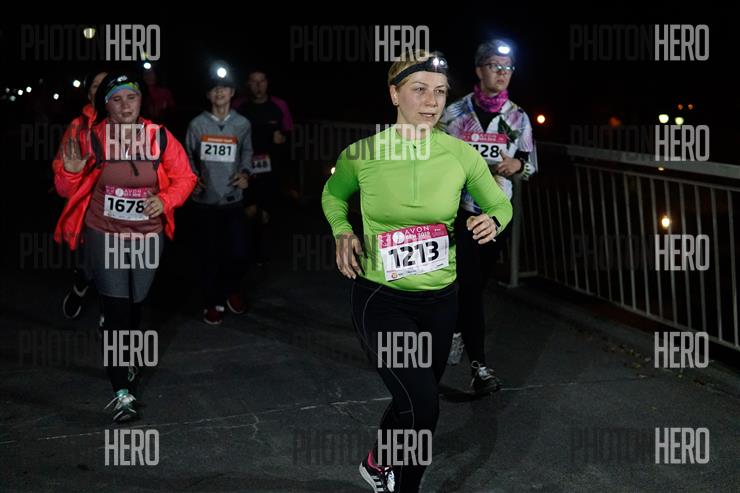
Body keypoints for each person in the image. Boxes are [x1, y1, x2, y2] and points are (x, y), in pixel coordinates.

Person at [322, 50, 512, 493]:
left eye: (440, 92)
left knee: (413, 396)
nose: (432, 102)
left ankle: (377, 461)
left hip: (441, 300)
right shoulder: (362, 154)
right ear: (394, 94)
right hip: (382, 298)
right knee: (423, 406)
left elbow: (500, 203)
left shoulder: (460, 154)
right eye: (419, 90)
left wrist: (494, 220)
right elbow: (333, 195)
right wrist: (342, 231)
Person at [53, 72, 196, 422]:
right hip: (106, 233)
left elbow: (186, 177)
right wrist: (69, 172)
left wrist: (165, 200)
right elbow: (65, 188)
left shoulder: (159, 136)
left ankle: (127, 353)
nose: (125, 105)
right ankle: (122, 393)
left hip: (147, 235)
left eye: (131, 97)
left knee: (135, 306)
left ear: (141, 100)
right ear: (105, 105)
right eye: (116, 99)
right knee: (116, 312)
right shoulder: (92, 137)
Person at [442, 38, 538, 395]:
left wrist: (517, 166)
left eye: (508, 68)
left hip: (498, 214)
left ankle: (456, 330)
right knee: (469, 286)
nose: (502, 73)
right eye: (495, 66)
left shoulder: (518, 117)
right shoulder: (453, 114)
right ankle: (479, 367)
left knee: (476, 283)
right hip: (461, 213)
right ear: (479, 70)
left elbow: (530, 164)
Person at [185, 68, 252, 325]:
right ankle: (211, 302)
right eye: (214, 88)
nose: (219, 92)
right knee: (209, 254)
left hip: (232, 200)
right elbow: (187, 158)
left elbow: (247, 153)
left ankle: (231, 290)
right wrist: (192, 179)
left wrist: (245, 174)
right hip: (205, 202)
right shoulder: (197, 124)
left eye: (224, 87)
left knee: (238, 252)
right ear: (208, 94)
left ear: (232, 92)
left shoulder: (242, 124)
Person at [52, 70, 107, 320]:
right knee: (88, 265)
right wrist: (71, 172)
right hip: (89, 212)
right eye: (95, 85)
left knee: (116, 266)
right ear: (89, 94)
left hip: (121, 210)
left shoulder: (135, 125)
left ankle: (110, 315)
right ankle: (80, 285)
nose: (102, 89)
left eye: (107, 84)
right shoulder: (77, 126)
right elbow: (63, 185)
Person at [237, 69, 294, 263]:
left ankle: (263, 255)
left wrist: (283, 139)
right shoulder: (239, 107)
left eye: (261, 81)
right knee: (249, 211)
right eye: (254, 82)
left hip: (271, 168)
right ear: (248, 84)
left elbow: (290, 134)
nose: (258, 85)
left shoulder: (279, 105)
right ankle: (247, 253)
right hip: (245, 168)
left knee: (266, 214)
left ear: (267, 83)